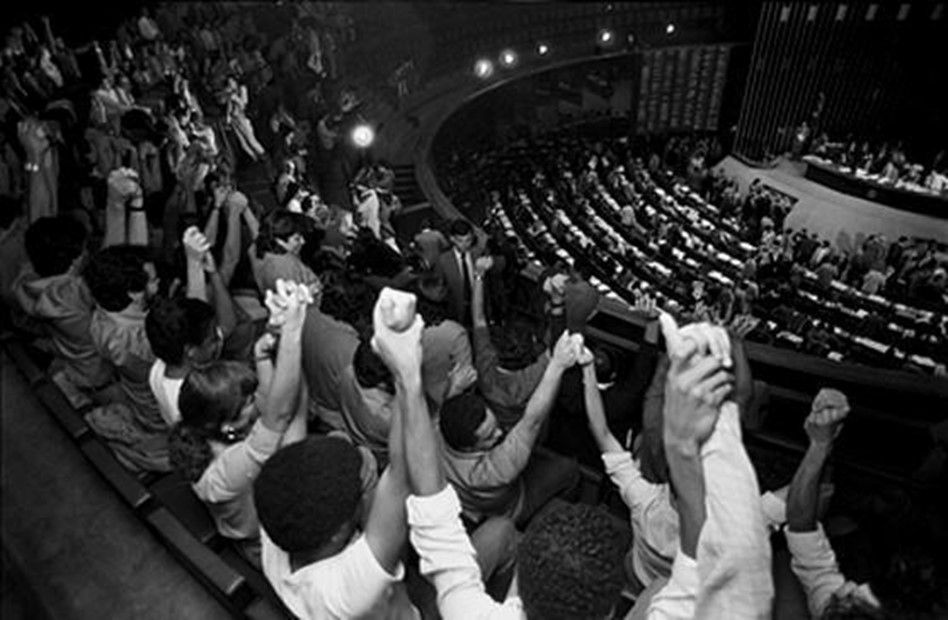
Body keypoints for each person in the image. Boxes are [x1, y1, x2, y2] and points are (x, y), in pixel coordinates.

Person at [168, 280, 313, 566]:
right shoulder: (222, 472)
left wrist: (263, 352)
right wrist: (293, 331)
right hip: (268, 544)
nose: (254, 403)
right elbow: (279, 414)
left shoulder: (205, 424)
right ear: (227, 425)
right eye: (246, 403)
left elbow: (267, 401)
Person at [438, 328, 580, 528]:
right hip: (510, 508)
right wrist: (557, 365)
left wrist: (453, 388)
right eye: (489, 436)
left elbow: (444, 411)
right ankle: (543, 524)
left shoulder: (434, 434)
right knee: (569, 469)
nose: (498, 433)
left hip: (467, 500)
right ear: (468, 447)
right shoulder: (493, 471)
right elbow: (532, 421)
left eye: (494, 425)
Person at [784, 389, 883, 619]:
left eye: (854, 595)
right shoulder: (838, 610)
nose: (848, 585)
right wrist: (820, 446)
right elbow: (802, 530)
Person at [83, 244, 168, 473]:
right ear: (132, 293)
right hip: (160, 411)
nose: (158, 282)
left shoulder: (104, 312)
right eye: (153, 280)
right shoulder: (133, 340)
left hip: (138, 397)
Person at [14, 216, 114, 406]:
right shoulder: (74, 295)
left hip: (72, 365)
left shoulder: (27, 287)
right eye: (84, 248)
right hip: (99, 376)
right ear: (76, 259)